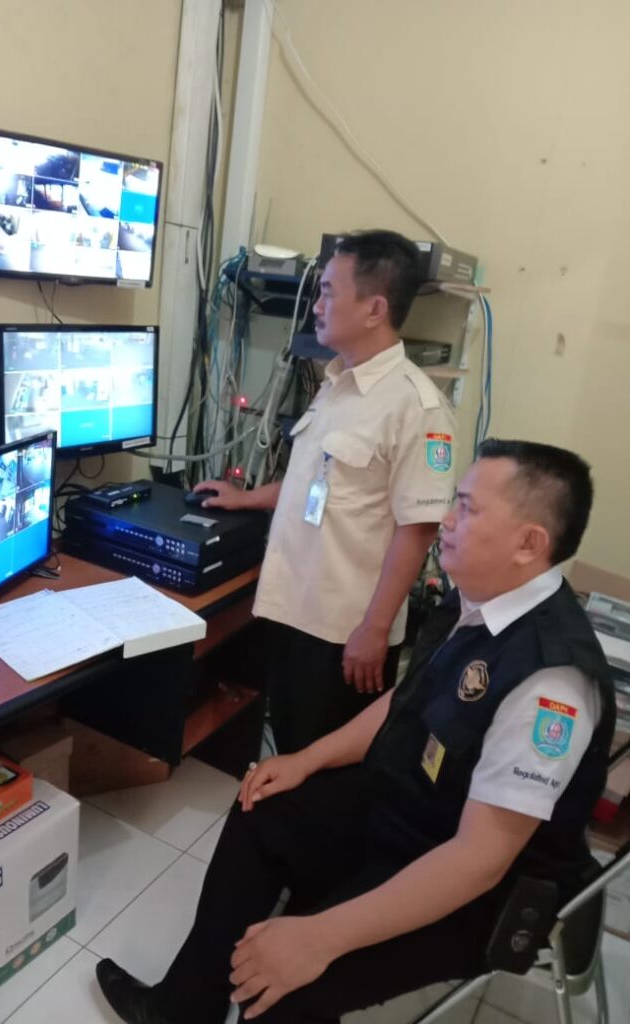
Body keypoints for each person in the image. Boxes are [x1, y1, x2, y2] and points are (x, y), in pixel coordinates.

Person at [96, 439, 616, 1024]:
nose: (446, 520)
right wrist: (308, 759)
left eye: (468, 508)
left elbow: (479, 861)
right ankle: (181, 1009)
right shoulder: (478, 596)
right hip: (416, 808)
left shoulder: (550, 684)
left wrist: (320, 936)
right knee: (262, 805)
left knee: (281, 986)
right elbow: (411, 697)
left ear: (529, 543)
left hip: (481, 888)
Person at [195, 230, 457, 753]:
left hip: (345, 634)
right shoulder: (337, 384)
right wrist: (246, 498)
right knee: (291, 748)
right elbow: (317, 480)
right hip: (295, 609)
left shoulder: (417, 407)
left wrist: (374, 630)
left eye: (330, 292)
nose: (316, 305)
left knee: (327, 765)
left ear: (374, 309)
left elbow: (419, 528)